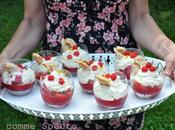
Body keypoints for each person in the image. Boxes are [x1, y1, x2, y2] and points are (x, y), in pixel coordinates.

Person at [0, 0, 175, 129]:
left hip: (120, 74)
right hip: (59, 76)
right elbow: (32, 21)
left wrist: (169, 50)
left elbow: (140, 17)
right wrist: (5, 57)